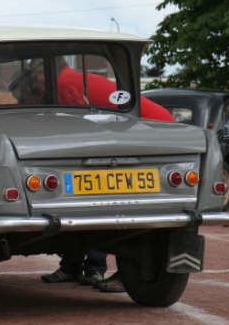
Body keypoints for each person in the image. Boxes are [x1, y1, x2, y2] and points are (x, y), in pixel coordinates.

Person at [33, 57, 175, 293]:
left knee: (107, 202)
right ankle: (79, 266)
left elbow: (79, 120)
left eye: (36, 77)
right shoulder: (70, 77)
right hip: (150, 128)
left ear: (46, 72)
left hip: (152, 130)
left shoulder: (63, 82)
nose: (37, 83)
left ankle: (117, 271)